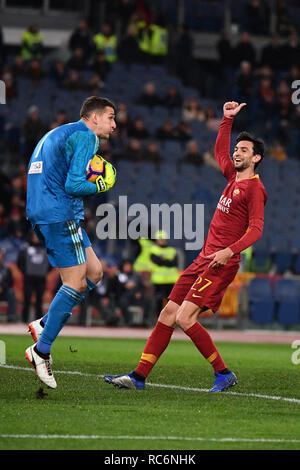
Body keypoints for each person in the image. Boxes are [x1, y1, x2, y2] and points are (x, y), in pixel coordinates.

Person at [105, 101, 267, 392]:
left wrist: (229, 251)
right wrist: (226, 121)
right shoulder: (233, 178)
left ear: (256, 158)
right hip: (203, 258)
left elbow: (257, 229)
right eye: (237, 148)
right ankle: (138, 376)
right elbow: (219, 152)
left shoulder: (255, 189)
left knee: (184, 317)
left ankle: (223, 372)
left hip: (221, 263)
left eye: (243, 150)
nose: (236, 152)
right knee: (167, 313)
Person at [25, 96, 117, 389]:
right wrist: (103, 183)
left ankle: (44, 324)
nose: (114, 125)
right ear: (94, 118)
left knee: (94, 272)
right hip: (58, 211)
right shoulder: (87, 137)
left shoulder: (61, 132)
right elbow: (75, 184)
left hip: (45, 209)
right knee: (75, 283)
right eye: (110, 118)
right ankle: (41, 350)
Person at [17, 230, 50, 323]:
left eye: (37, 236)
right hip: (28, 279)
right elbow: (19, 262)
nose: (36, 237)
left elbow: (51, 263)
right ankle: (24, 321)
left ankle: (39, 322)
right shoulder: (25, 248)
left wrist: (44, 271)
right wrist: (26, 271)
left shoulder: (45, 248)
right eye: (34, 235)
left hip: (41, 279)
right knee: (27, 300)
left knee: (39, 301)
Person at [0, 248, 16, 322]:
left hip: (4, 292)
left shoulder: (7, 269)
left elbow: (10, 282)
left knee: (11, 292)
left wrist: (2, 287)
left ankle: (11, 316)